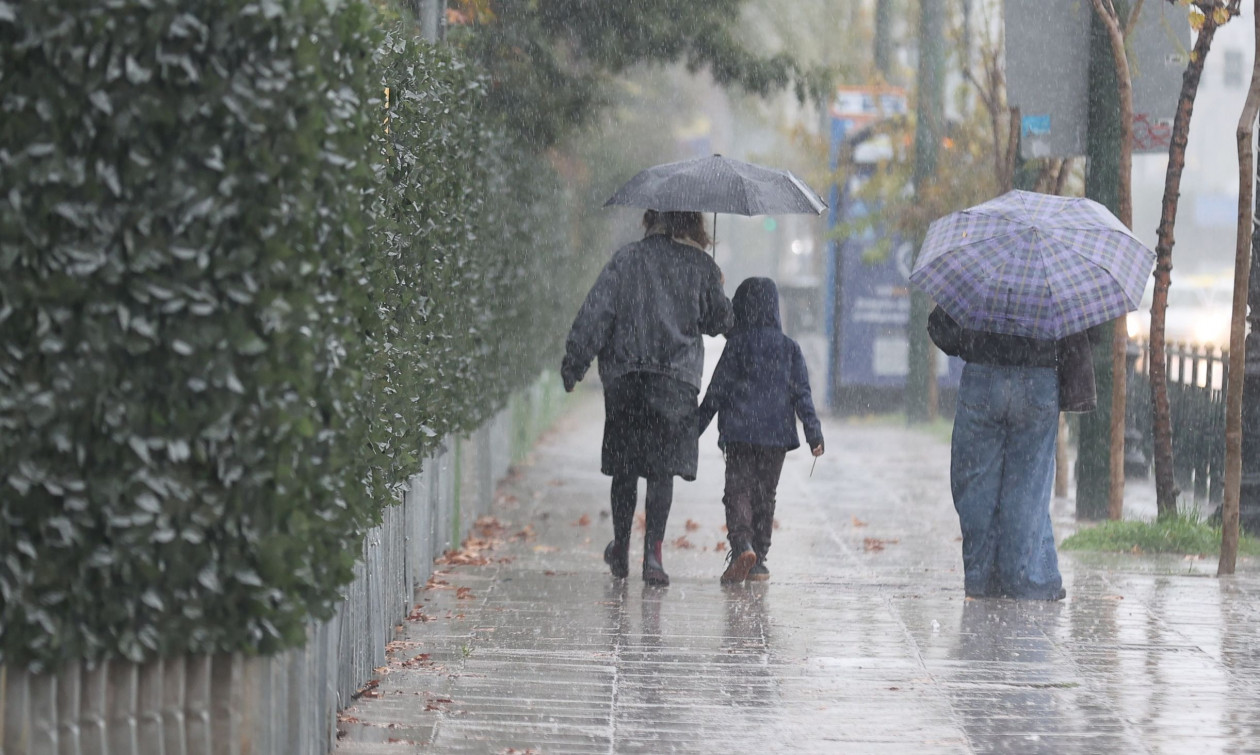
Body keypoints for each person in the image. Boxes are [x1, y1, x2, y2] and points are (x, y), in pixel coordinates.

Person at [561, 210, 734, 586]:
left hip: (626, 378)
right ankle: (653, 555)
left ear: (652, 219)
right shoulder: (700, 267)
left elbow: (597, 314)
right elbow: (720, 322)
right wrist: (715, 285)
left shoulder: (626, 260)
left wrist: (575, 364)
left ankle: (621, 546)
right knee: (661, 470)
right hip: (675, 383)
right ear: (692, 223)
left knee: (625, 468)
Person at [927, 305, 1096, 601]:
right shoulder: (1054, 274)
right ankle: (1021, 577)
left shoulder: (983, 264)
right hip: (1039, 378)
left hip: (982, 375)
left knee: (975, 481)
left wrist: (974, 341)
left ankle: (980, 578)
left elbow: (941, 328)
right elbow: (1090, 333)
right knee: (1028, 485)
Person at [695, 277, 823, 584]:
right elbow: (802, 394)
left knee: (738, 491)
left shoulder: (736, 345)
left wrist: (693, 429)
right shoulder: (790, 349)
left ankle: (742, 545)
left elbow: (716, 391)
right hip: (776, 437)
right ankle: (759, 561)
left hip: (740, 433)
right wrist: (814, 434)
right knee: (766, 495)